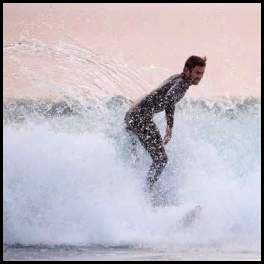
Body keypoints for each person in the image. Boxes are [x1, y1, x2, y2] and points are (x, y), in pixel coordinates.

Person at [124, 55, 206, 191]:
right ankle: (146, 191)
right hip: (140, 118)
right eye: (197, 72)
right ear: (187, 70)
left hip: (133, 116)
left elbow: (157, 93)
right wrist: (169, 127)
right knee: (161, 159)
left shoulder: (177, 78)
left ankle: (133, 189)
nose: (200, 76)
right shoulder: (182, 83)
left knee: (137, 158)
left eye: (202, 73)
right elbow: (168, 99)